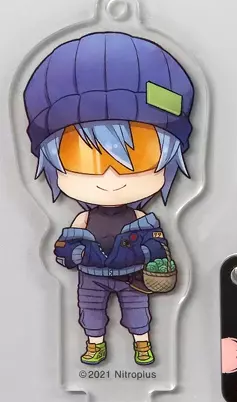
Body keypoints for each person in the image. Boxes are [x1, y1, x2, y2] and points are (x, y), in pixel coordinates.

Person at [23, 31, 195, 365]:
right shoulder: (82, 219)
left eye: (140, 155)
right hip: (91, 274)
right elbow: (64, 247)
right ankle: (94, 343)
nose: (110, 178)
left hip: (132, 275)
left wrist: (156, 259)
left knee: (138, 311)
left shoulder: (141, 218)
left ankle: (142, 344)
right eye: (82, 157)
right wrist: (71, 254)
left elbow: (156, 242)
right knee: (90, 311)